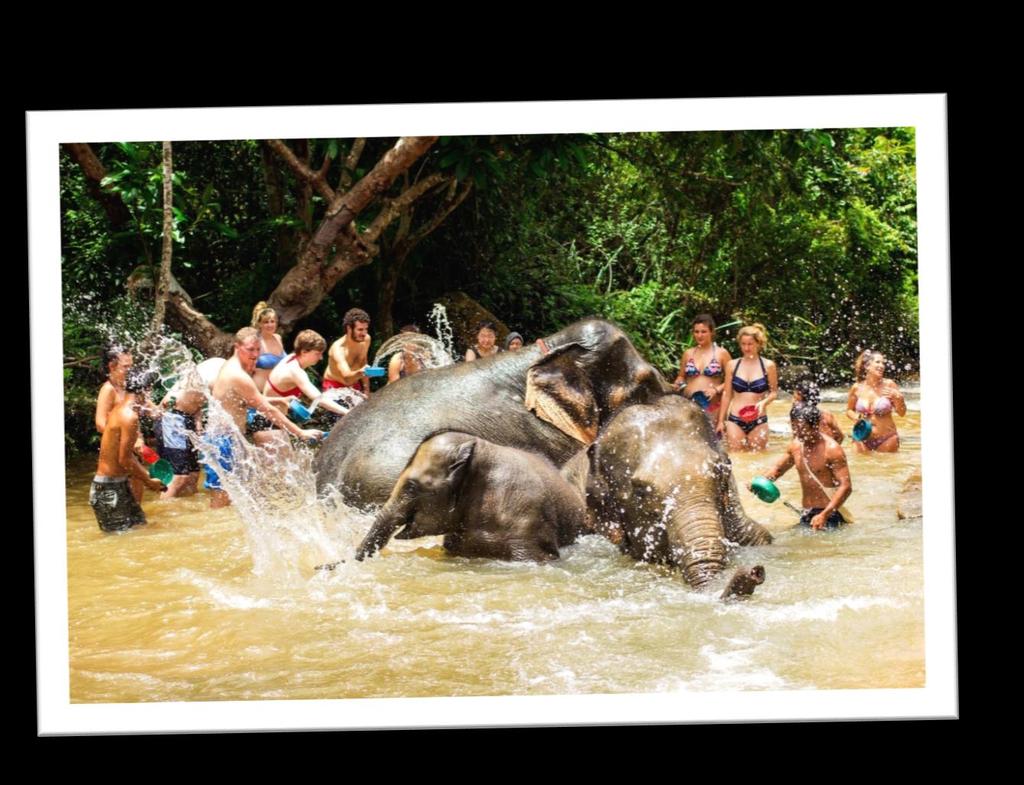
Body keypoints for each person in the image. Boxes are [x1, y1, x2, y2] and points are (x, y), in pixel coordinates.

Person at [205, 327, 323, 509]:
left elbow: (246, 400)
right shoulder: (238, 376)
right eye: (250, 349)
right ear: (237, 347)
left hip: (227, 439)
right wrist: (300, 432)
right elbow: (267, 410)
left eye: (258, 349)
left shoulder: (231, 366)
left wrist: (280, 399)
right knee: (221, 502)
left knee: (237, 499)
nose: (255, 355)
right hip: (223, 442)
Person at [89, 369, 166, 532]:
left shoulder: (122, 410)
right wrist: (148, 480)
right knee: (121, 544)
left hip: (118, 485)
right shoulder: (129, 417)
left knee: (140, 530)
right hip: (109, 490)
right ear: (146, 391)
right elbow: (124, 459)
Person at [755, 404, 852, 530]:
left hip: (829, 513)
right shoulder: (795, 446)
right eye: (794, 427)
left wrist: (824, 515)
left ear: (815, 426)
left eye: (802, 428)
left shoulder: (832, 450)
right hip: (807, 512)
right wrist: (759, 483)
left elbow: (846, 486)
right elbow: (778, 470)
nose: (798, 432)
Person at [716, 323, 778, 451]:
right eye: (743, 344)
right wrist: (721, 421)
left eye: (750, 344)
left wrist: (764, 403)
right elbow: (727, 395)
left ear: (758, 344)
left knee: (758, 458)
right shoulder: (732, 365)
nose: (746, 348)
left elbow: (773, 393)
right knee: (736, 458)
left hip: (759, 420)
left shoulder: (768, 365)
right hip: (735, 420)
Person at [264, 329, 349, 418]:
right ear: (304, 352)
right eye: (317, 354)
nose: (321, 358)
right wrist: (348, 412)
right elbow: (319, 399)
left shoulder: (291, 357)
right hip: (269, 420)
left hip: (272, 415)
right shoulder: (295, 371)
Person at [155, 371, 205, 499]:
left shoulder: (206, 376)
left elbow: (198, 405)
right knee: (179, 476)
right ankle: (164, 511)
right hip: (172, 418)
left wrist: (198, 427)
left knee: (193, 474)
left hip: (188, 419)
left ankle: (188, 511)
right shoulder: (220, 372)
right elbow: (165, 404)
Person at [845, 350, 907, 453]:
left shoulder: (889, 385)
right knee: (861, 467)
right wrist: (856, 417)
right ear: (867, 366)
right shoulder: (857, 388)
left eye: (883, 363)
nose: (882, 366)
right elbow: (849, 411)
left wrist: (899, 399)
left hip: (887, 439)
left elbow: (902, 413)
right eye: (878, 362)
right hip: (861, 437)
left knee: (886, 468)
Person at [673, 314, 732, 419]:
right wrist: (678, 383)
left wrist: (716, 390)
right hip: (688, 405)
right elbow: (681, 376)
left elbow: (733, 379)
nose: (699, 335)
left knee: (713, 435)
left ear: (712, 332)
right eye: (696, 332)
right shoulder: (688, 353)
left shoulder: (722, 353)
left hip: (713, 407)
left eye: (703, 332)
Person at [323, 308, 372, 397]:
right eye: (360, 330)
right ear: (349, 328)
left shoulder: (366, 340)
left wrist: (366, 389)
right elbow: (347, 377)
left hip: (354, 384)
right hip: (335, 387)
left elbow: (363, 363)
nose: (364, 333)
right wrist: (362, 372)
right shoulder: (338, 349)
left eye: (366, 329)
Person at [793, 376, 844, 444]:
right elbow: (840, 436)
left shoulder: (798, 417)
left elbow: (796, 440)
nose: (793, 400)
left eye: (794, 397)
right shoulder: (826, 414)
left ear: (800, 396)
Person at [251, 302, 286, 392]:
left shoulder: (278, 338)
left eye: (272, 321)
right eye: (266, 322)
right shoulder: (256, 341)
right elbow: (247, 366)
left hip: (278, 390)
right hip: (259, 389)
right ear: (259, 324)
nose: (270, 325)